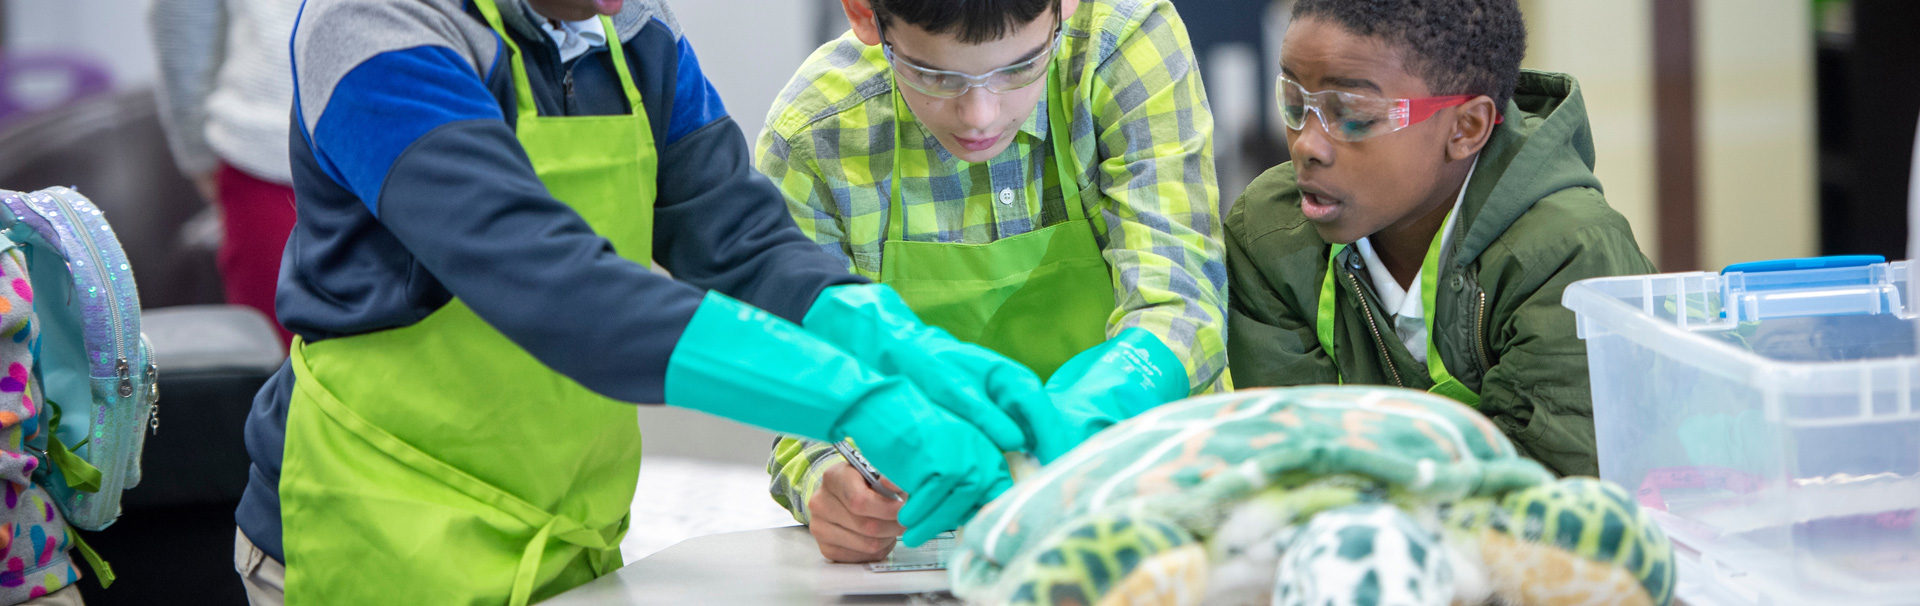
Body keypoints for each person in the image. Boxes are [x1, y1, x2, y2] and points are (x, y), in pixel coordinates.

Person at [234, 0, 1078, 603]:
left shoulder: (635, 33)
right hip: (376, 528)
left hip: (566, 536)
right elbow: (556, 286)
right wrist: (858, 399)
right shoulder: (378, 29)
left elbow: (742, 239)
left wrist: (907, 347)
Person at [758, 0, 1228, 563]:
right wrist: (827, 480)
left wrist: (1076, 418)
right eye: (935, 75)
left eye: (1019, 68)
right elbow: (803, 382)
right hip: (936, 537)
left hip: (1148, 496)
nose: (980, 114)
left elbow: (1181, 302)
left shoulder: (1123, 43)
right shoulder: (816, 137)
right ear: (865, 16)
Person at [1224, 0, 1655, 478]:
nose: (1306, 144)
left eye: (1351, 113)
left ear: (1466, 128)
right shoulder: (1268, 234)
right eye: (1294, 102)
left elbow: (1545, 494)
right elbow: (1289, 463)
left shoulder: (1569, 255)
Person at [148, 0, 302, 344]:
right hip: (270, 154)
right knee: (275, 358)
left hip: (417, 140)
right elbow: (184, 16)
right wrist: (198, 150)